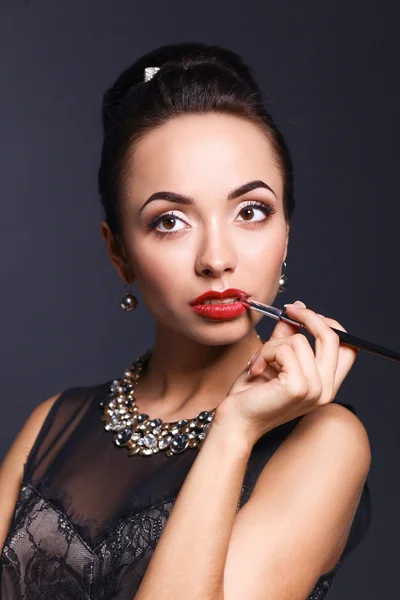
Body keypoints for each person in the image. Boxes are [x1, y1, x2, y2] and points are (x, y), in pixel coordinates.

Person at [0, 42, 371, 599]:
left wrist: (235, 431)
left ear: (286, 232)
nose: (217, 259)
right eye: (170, 221)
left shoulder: (326, 442)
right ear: (119, 251)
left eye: (251, 211)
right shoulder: (53, 424)